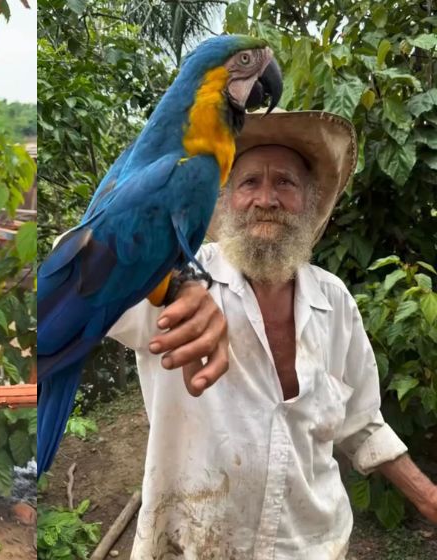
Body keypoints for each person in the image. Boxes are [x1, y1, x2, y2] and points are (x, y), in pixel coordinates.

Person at [108, 109, 437, 558]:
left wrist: (429, 498)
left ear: (310, 202)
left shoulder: (335, 302)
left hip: (315, 545)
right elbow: (68, 266)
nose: (267, 199)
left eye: (285, 182)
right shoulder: (168, 278)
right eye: (249, 183)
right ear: (225, 200)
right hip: (189, 546)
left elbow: (363, 423)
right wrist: (177, 286)